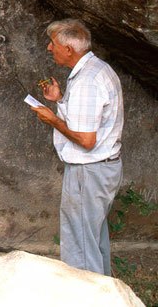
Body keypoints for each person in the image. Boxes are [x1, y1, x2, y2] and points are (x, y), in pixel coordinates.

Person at [30, 18, 123, 276]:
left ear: (69, 49)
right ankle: (104, 295)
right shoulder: (97, 70)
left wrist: (53, 120)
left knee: (81, 248)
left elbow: (86, 140)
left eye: (53, 43)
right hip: (101, 170)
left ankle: (87, 298)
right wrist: (59, 100)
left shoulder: (87, 82)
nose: (49, 48)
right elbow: (90, 120)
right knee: (92, 240)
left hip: (88, 172)